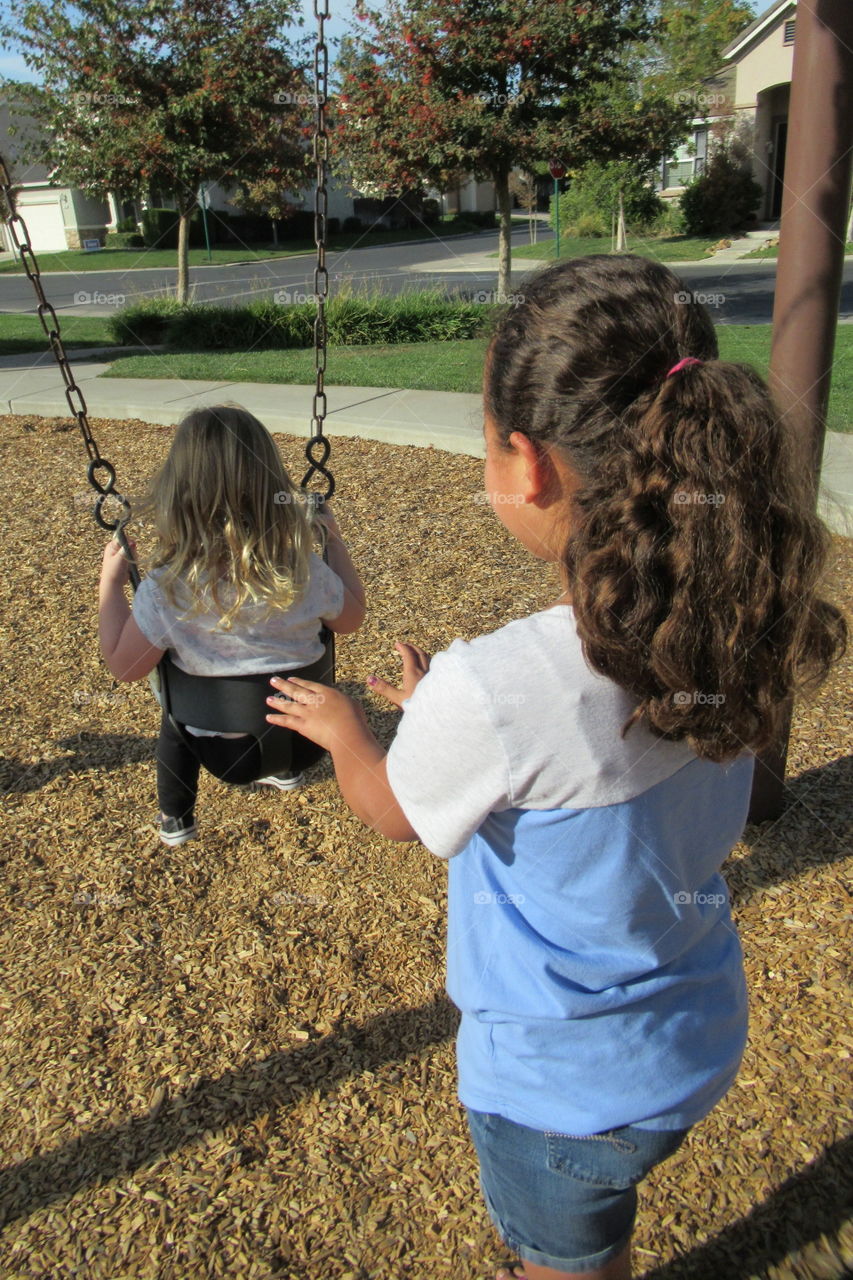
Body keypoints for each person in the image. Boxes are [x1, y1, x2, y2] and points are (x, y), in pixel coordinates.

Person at [264, 255, 847, 1280]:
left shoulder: (495, 687)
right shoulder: (725, 618)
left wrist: (354, 736)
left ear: (525, 467)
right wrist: (437, 712)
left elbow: (399, 810)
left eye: (483, 439)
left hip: (559, 1094)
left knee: (568, 1253)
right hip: (692, 1032)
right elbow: (562, 748)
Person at [98, 404, 365, 848]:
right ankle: (284, 768)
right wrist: (332, 541)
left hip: (227, 756)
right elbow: (352, 619)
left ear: (176, 491)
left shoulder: (168, 591)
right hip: (309, 741)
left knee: (172, 706)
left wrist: (109, 585)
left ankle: (175, 817)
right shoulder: (302, 570)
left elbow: (124, 667)